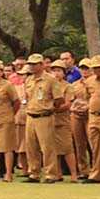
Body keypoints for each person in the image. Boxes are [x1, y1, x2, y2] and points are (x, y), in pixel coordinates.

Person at [23, 53, 64, 183]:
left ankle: (51, 174)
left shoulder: (51, 79)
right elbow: (27, 97)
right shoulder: (28, 80)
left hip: (44, 116)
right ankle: (34, 173)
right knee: (31, 146)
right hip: (31, 115)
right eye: (30, 64)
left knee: (47, 147)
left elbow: (59, 99)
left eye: (34, 64)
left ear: (42, 65)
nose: (32, 67)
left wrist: (49, 108)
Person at [50, 60, 80, 182]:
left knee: (67, 148)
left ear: (64, 73)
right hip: (50, 120)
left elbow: (68, 104)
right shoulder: (49, 84)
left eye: (59, 71)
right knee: (53, 148)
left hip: (62, 120)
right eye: (54, 70)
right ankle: (58, 173)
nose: (56, 73)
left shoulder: (68, 86)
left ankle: (74, 174)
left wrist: (53, 108)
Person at [82, 55, 100, 183]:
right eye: (94, 68)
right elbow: (87, 97)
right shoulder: (89, 81)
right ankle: (96, 174)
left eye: (99, 67)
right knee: (95, 147)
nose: (96, 70)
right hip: (93, 116)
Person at [70, 58, 93, 179]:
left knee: (94, 143)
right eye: (82, 68)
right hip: (77, 115)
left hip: (92, 115)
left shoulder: (97, 83)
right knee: (79, 144)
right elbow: (71, 99)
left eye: (87, 68)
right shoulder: (75, 85)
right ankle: (84, 170)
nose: (85, 71)